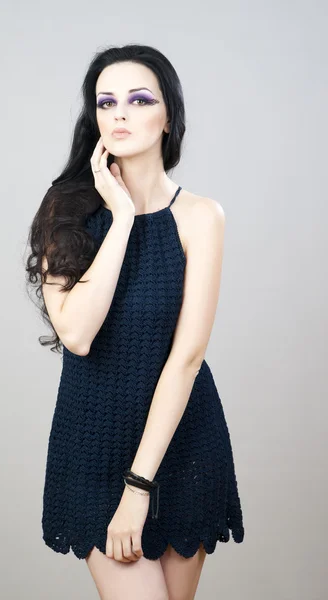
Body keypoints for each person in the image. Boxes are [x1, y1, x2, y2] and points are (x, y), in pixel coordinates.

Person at [25, 44, 245, 600]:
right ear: (94, 117)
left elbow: (187, 358)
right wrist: (121, 217)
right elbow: (77, 333)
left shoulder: (200, 217)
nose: (119, 113)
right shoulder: (66, 209)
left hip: (181, 442)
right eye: (106, 102)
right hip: (94, 446)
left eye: (139, 99)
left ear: (168, 116)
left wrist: (140, 484)